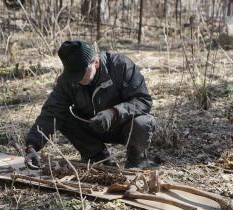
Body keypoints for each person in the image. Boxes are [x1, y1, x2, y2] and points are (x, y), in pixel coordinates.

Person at [24, 40, 156, 169]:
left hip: (123, 126)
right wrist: (32, 146)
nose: (78, 79)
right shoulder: (68, 80)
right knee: (62, 115)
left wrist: (113, 113)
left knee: (143, 122)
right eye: (73, 75)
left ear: (96, 62)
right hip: (92, 128)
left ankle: (137, 160)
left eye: (81, 73)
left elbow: (142, 100)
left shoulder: (120, 66)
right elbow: (51, 112)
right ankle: (97, 157)